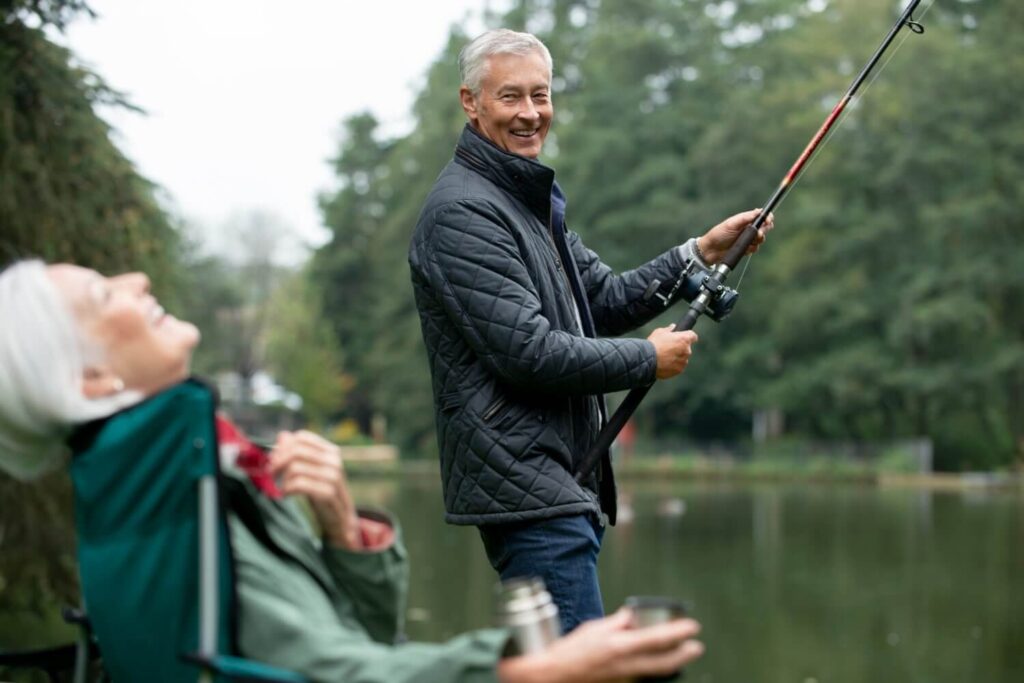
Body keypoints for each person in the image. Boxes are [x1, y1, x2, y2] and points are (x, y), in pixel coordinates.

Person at [0, 259, 705, 683]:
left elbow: (357, 644)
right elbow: (335, 674)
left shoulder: (162, 475)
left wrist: (343, 529)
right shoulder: (179, 502)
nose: (136, 280)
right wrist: (523, 667)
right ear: (91, 380)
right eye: (102, 295)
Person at [408, 28, 774, 632]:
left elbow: (600, 300)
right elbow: (524, 352)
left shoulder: (525, 202)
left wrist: (700, 253)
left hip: (554, 483)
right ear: (470, 102)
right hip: (526, 487)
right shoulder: (463, 212)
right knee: (584, 668)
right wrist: (644, 360)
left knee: (571, 664)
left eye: (541, 95)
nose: (530, 114)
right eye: (510, 98)